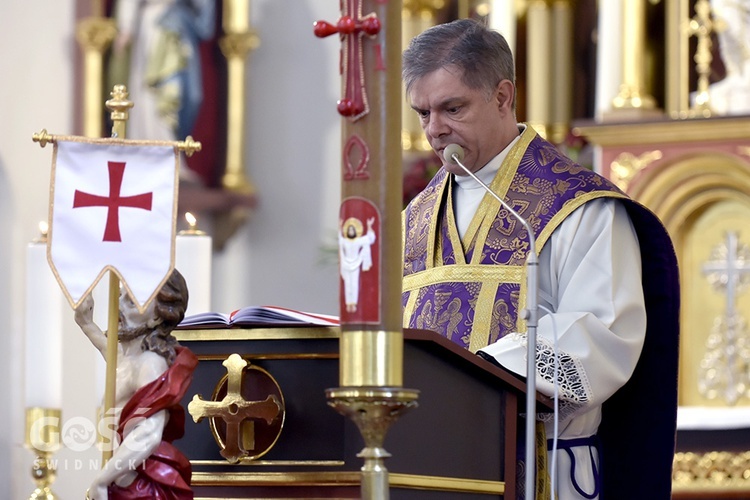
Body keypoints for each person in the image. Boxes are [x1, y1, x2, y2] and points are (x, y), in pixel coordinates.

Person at [401, 19, 680, 500]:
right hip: (431, 469)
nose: (434, 129)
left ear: (504, 96)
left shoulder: (578, 208)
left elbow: (601, 334)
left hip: (546, 471)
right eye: (422, 112)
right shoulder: (414, 219)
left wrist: (472, 380)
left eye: (452, 108)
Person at [75, 269, 198, 500]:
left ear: (155, 318)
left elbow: (148, 433)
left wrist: (103, 480)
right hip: (122, 474)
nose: (118, 305)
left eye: (130, 301)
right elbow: (108, 348)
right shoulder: (129, 357)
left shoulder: (150, 363)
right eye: (120, 295)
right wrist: (85, 323)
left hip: (141, 484)